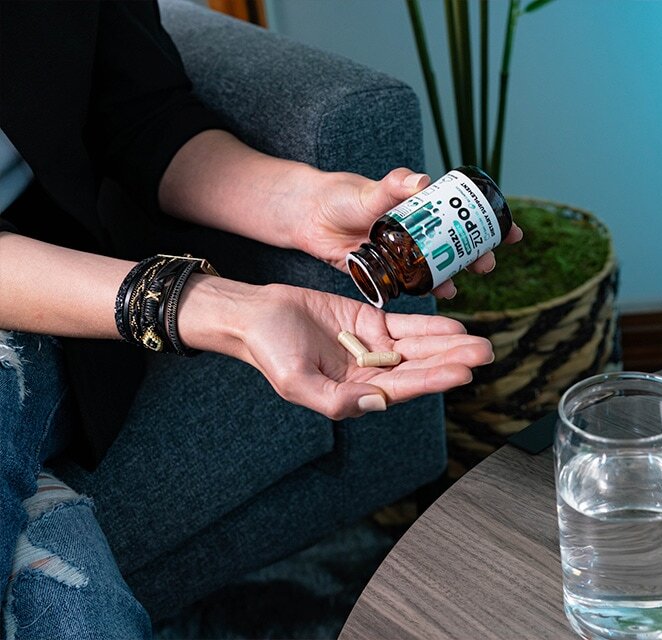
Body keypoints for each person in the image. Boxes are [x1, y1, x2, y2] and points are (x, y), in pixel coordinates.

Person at [0, 1, 522, 638]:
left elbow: (140, 116)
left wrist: (310, 202)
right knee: (77, 609)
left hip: (51, 283)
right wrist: (206, 305)